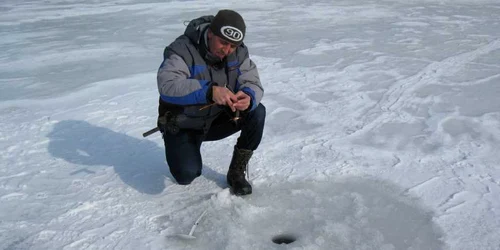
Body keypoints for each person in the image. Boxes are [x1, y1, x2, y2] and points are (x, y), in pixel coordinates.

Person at [156, 9, 265, 195]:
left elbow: (252, 82)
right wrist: (209, 91)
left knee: (257, 112)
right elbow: (168, 85)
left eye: (232, 46)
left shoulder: (238, 53)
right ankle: (183, 148)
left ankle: (236, 172)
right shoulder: (182, 49)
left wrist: (248, 96)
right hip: (183, 124)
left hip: (215, 120)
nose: (227, 50)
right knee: (186, 175)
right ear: (210, 33)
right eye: (223, 42)